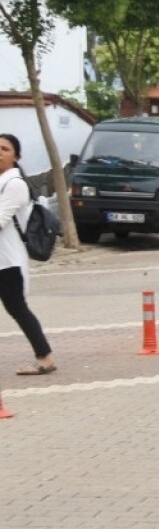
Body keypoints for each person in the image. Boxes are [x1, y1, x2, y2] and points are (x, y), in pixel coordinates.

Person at [0, 133, 56, 376]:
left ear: (16, 156)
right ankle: (45, 356)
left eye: (4, 148)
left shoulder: (15, 185)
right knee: (17, 309)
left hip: (8, 262)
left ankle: (45, 358)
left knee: (18, 308)